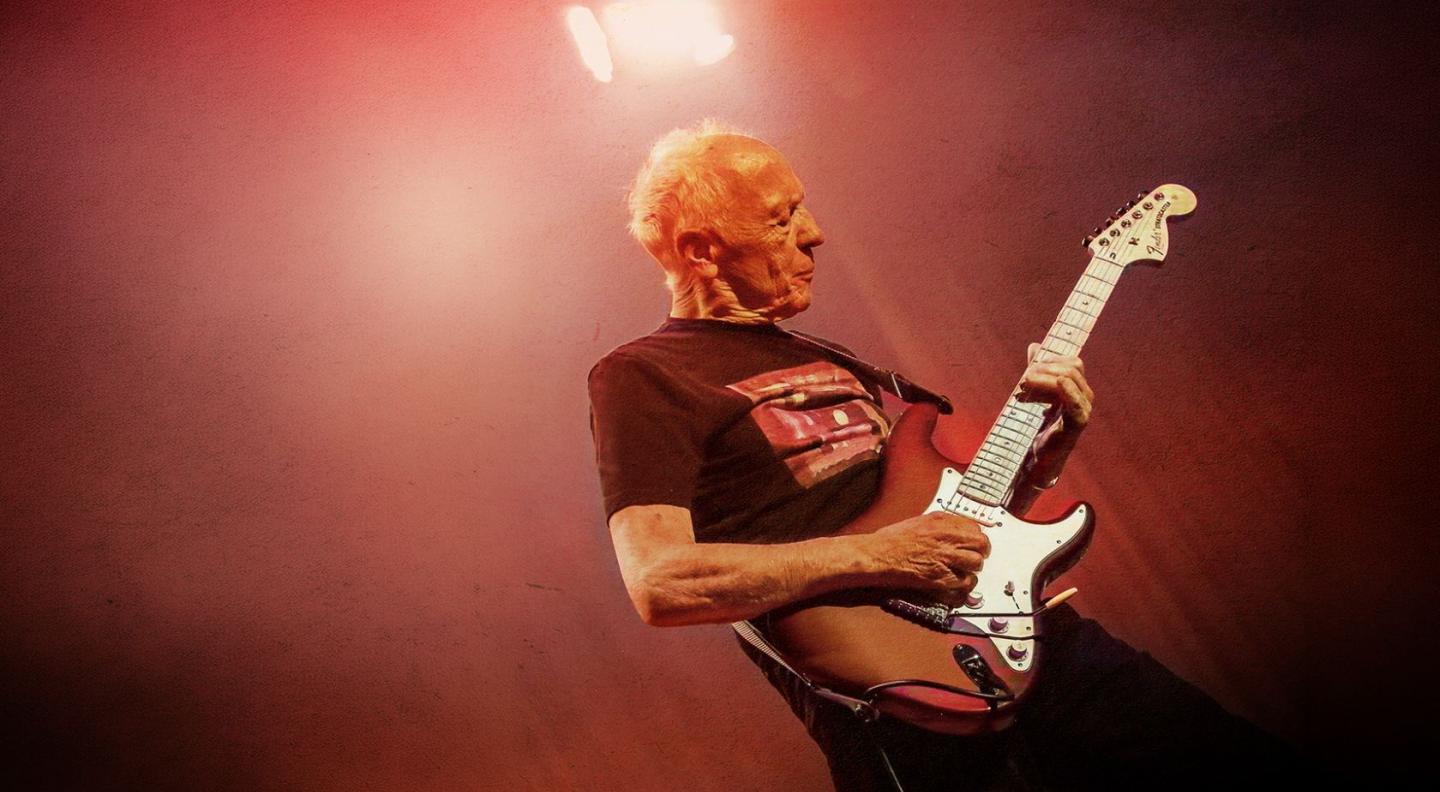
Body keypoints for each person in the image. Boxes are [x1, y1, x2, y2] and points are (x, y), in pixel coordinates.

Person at [586, 120, 1298, 790]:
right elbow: (662, 582)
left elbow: (947, 534)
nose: (815, 235)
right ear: (702, 249)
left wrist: (1043, 460)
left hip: (1033, 640)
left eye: (803, 209)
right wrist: (879, 557)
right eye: (781, 219)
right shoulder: (646, 374)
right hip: (900, 701)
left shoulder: (841, 363)